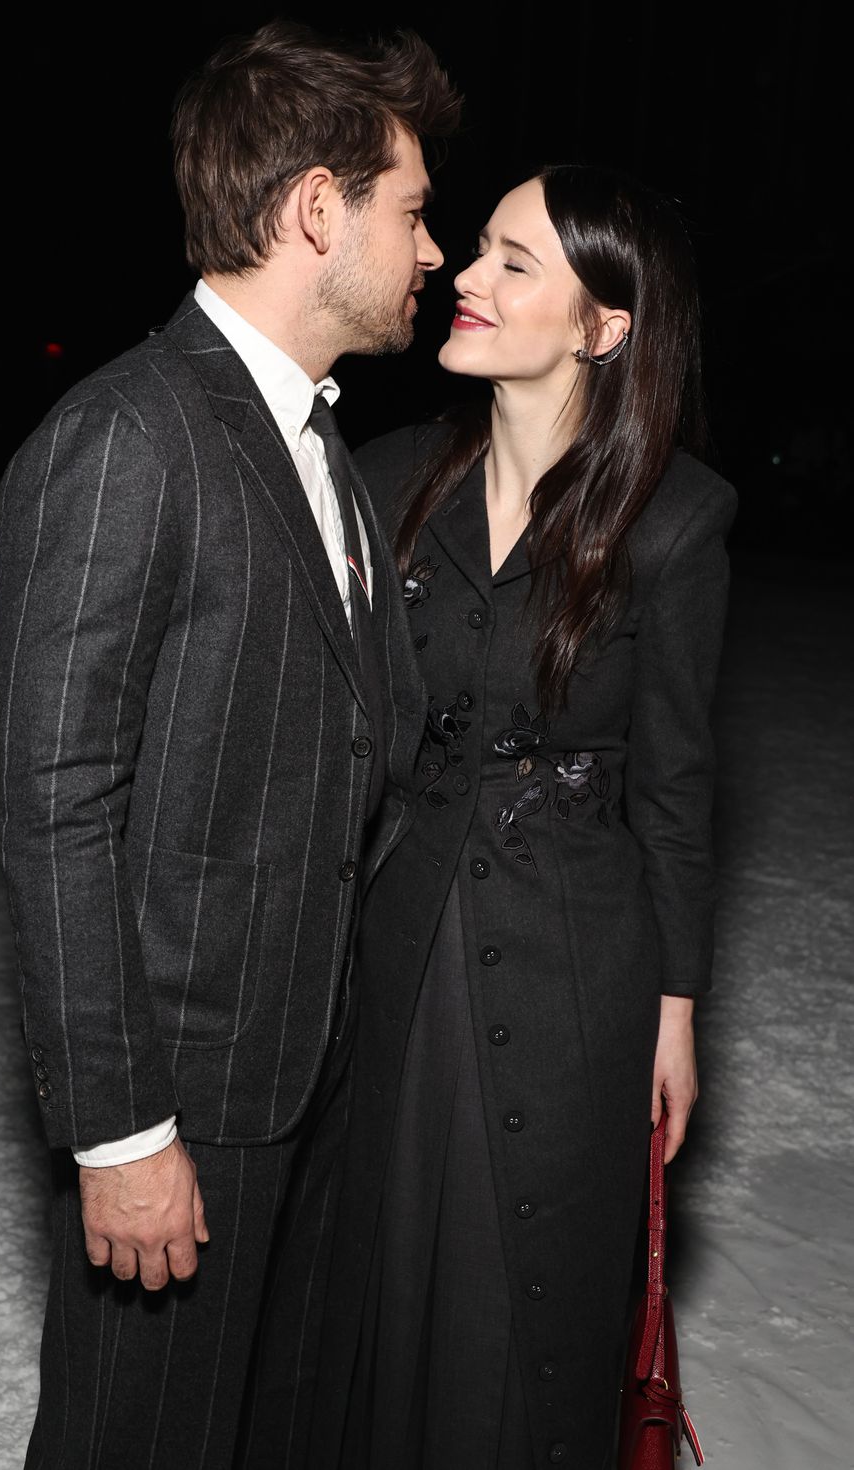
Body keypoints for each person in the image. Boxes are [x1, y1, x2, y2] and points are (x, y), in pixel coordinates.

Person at [0, 22, 458, 1470]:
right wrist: (122, 1132)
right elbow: (55, 802)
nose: (432, 251)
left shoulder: (331, 453)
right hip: (184, 1108)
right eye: (415, 209)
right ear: (321, 208)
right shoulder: (129, 435)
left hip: (311, 1085)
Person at [308, 165, 737, 1470]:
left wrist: (675, 1006)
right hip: (394, 948)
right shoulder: (384, 480)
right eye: (478, 249)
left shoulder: (672, 520)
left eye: (512, 263)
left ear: (603, 326)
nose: (467, 279)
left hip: (577, 970)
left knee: (526, 1296)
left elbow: (677, 783)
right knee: (377, 1288)